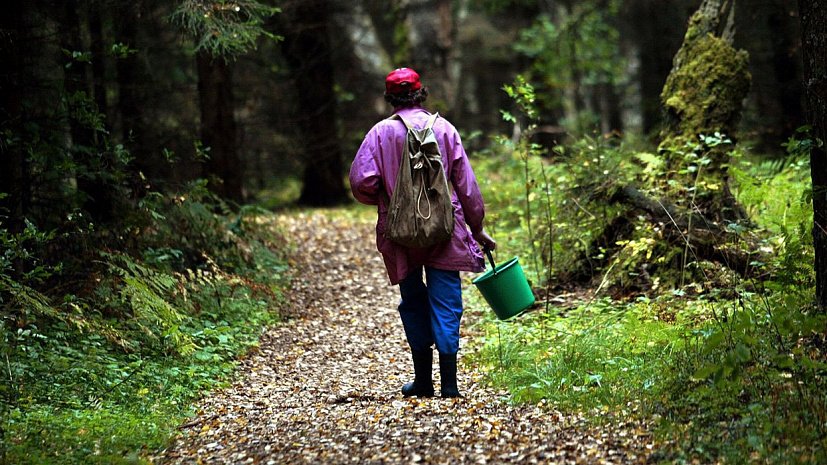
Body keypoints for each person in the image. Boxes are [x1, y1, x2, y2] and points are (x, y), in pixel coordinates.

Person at [349, 67, 496, 398]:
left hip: (400, 230)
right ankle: (449, 384)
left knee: (413, 299)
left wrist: (388, 196)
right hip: (446, 226)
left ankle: (423, 381)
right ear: (421, 93)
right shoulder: (444, 129)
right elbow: (467, 187)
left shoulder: (380, 133)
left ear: (390, 98)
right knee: (447, 300)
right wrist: (478, 228)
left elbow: (361, 182)